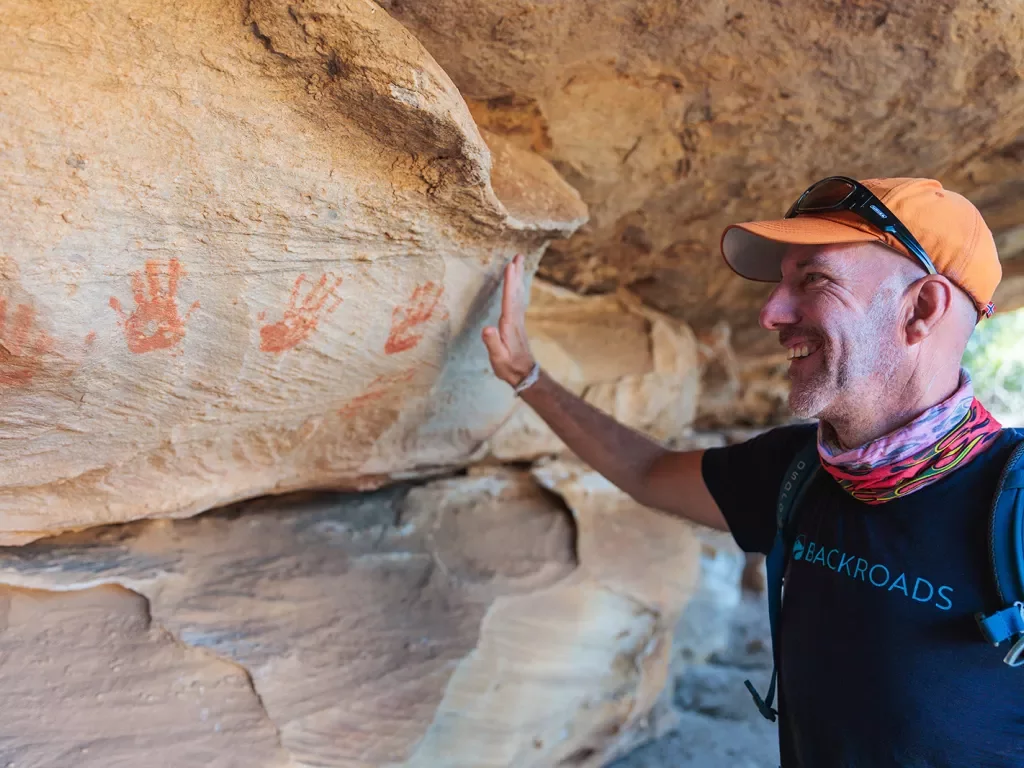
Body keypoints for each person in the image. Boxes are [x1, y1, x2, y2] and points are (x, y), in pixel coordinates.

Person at [482, 176, 1024, 768]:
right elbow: (647, 469)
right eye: (781, 283)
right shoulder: (797, 471)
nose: (769, 313)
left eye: (813, 279)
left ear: (921, 308)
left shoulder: (1014, 508)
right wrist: (525, 375)